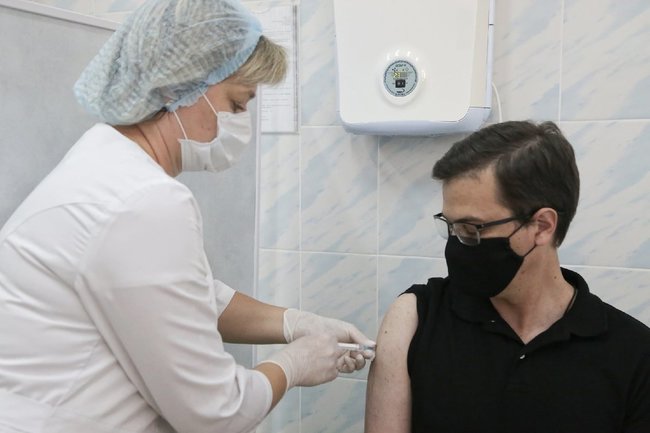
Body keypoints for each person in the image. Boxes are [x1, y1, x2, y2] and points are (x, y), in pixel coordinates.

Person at [0, 1, 375, 432]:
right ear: (175, 87)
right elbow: (217, 413)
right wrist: (294, 364)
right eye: (237, 104)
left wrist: (297, 324)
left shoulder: (104, 167)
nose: (242, 123)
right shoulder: (142, 200)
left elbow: (189, 298)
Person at [365, 120, 650, 433]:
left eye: (471, 229)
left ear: (542, 226)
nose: (456, 244)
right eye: (451, 226)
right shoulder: (417, 318)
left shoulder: (635, 355)